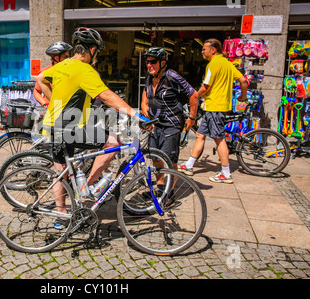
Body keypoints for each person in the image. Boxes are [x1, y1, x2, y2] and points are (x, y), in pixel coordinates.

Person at [36, 27, 148, 228]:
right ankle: (88, 186)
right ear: (92, 49)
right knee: (113, 140)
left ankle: (61, 216)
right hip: (68, 128)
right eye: (98, 51)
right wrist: (134, 113)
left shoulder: (63, 65)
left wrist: (53, 103)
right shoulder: (86, 70)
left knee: (61, 169)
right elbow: (105, 95)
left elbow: (40, 79)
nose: (98, 55)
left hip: (54, 126)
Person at [178, 38, 248, 184]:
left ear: (213, 50)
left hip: (214, 107)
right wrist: (243, 96)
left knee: (219, 139)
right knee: (200, 135)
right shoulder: (228, 64)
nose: (202, 51)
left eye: (204, 49)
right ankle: (189, 165)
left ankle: (226, 173)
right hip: (216, 107)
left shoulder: (213, 64)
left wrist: (195, 95)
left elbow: (206, 87)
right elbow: (243, 81)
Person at [141, 47, 199, 176]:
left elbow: (194, 95)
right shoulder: (150, 76)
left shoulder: (172, 76)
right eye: (147, 62)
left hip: (171, 124)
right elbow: (145, 89)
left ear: (162, 63)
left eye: (153, 61)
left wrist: (192, 118)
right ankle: (161, 189)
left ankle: (170, 192)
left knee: (169, 160)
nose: (149, 65)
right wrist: (144, 105)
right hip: (155, 123)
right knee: (155, 158)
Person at [33, 41, 72, 107]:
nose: (68, 59)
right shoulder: (44, 72)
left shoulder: (71, 70)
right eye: (66, 56)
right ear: (57, 58)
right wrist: (45, 103)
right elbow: (36, 91)